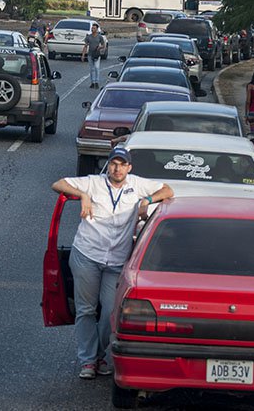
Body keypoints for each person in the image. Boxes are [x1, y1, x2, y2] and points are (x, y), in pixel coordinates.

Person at [51, 148, 174, 380]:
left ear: (129, 167)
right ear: (108, 165)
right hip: (87, 253)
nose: (117, 168)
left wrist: (146, 200)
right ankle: (88, 361)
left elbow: (168, 190)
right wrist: (83, 195)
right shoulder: (94, 183)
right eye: (113, 164)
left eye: (122, 164)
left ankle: (98, 355)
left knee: (110, 312)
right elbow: (58, 184)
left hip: (117, 260)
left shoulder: (137, 184)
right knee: (86, 310)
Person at [81, 24, 106, 89]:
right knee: (92, 69)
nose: (92, 30)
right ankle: (92, 82)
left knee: (97, 68)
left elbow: (103, 45)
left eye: (94, 28)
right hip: (90, 55)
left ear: (97, 29)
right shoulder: (89, 37)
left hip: (97, 55)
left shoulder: (99, 37)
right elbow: (85, 46)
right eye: (92, 28)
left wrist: (100, 47)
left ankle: (97, 82)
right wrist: (83, 55)